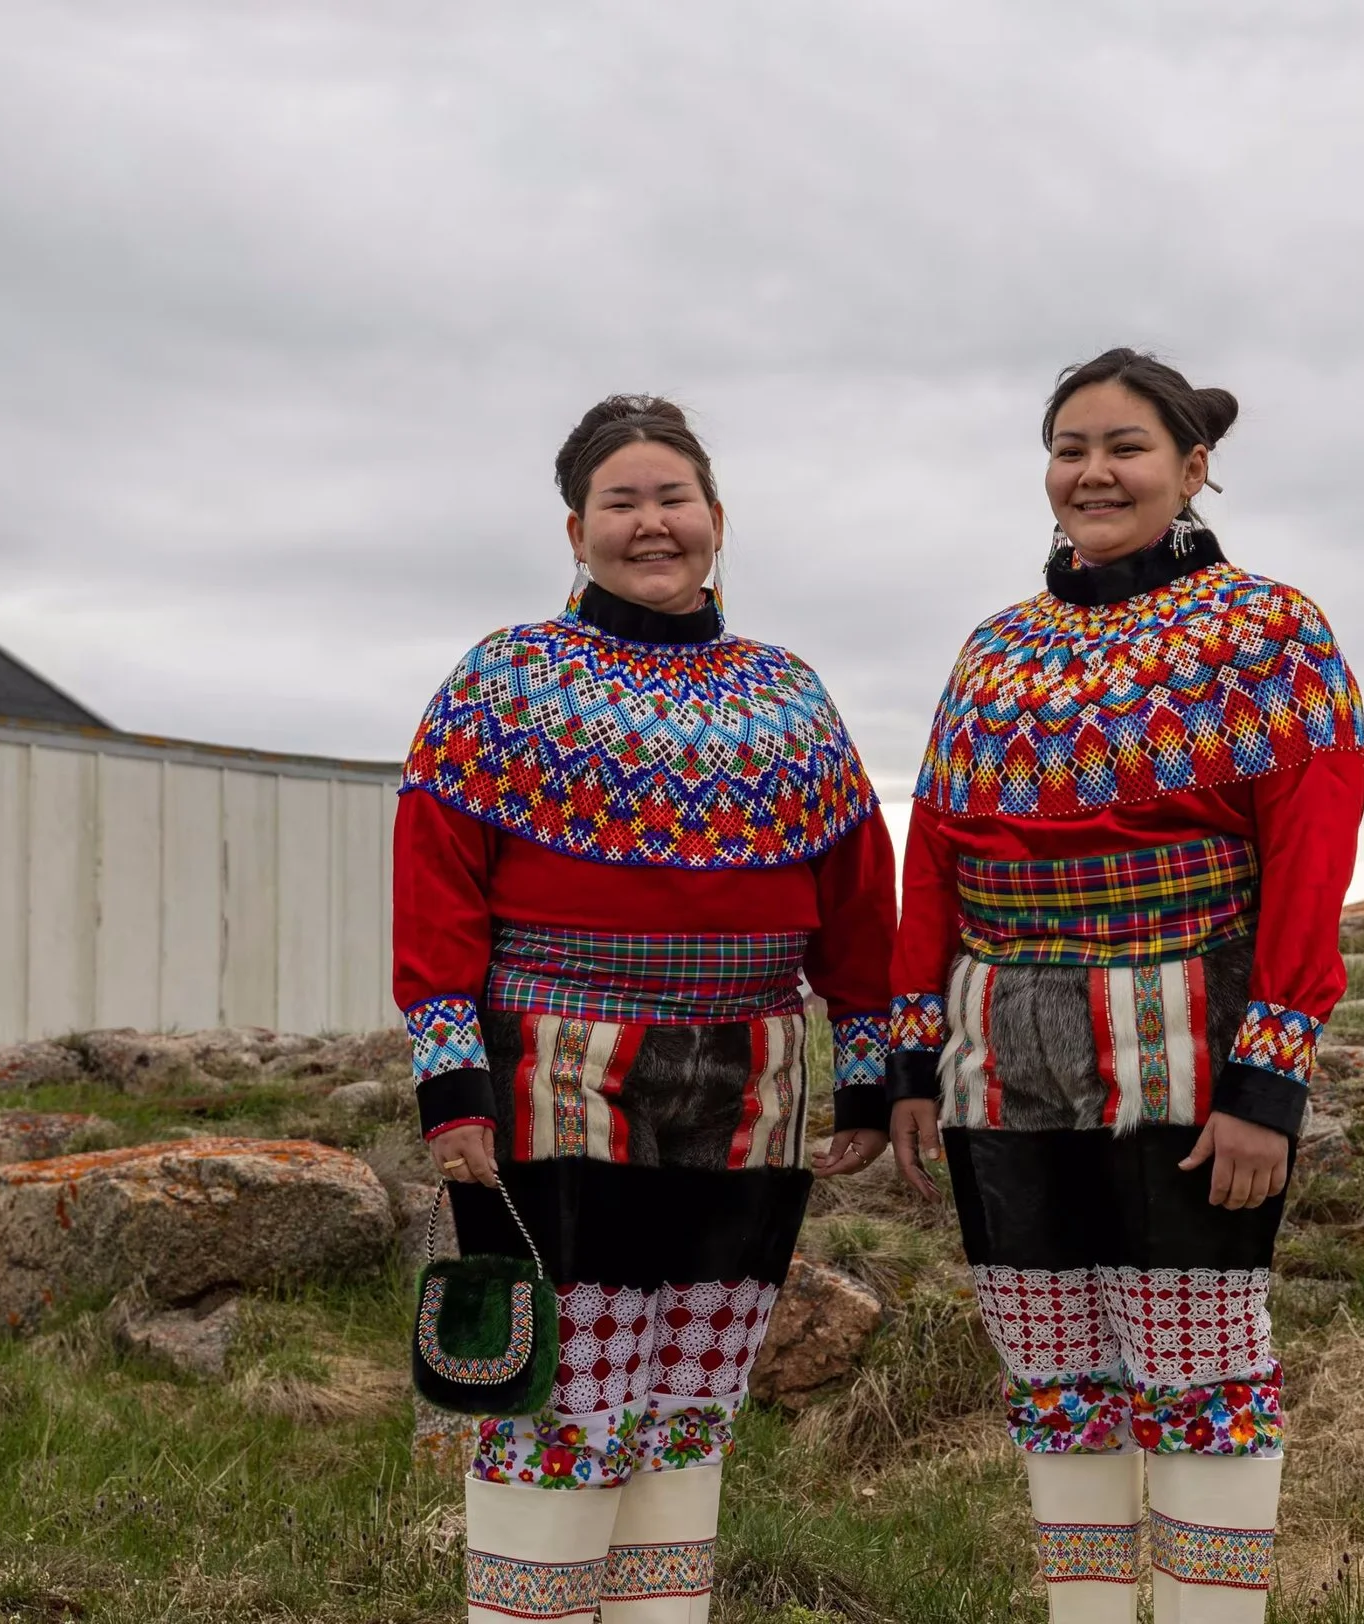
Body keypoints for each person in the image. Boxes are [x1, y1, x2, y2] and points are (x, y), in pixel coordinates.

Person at [885, 350, 1364, 1623]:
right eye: (1068, 448)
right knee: (1053, 1370)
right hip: (1000, 1054)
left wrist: (1271, 1078)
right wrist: (904, 1057)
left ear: (1193, 466)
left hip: (1188, 1042)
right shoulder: (994, 651)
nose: (1092, 473)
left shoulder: (1268, 633)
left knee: (1200, 1376)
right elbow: (931, 852)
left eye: (1126, 446)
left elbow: (1308, 860)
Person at [395, 395, 896, 1623]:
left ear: (716, 519)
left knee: (694, 1390)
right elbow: (438, 886)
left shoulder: (787, 696)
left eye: (672, 498)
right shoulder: (505, 679)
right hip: (555, 1071)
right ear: (577, 529)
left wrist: (874, 1071)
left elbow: (854, 892)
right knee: (562, 1387)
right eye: (621, 502)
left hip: (753, 1082)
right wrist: (449, 1085)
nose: (650, 523)